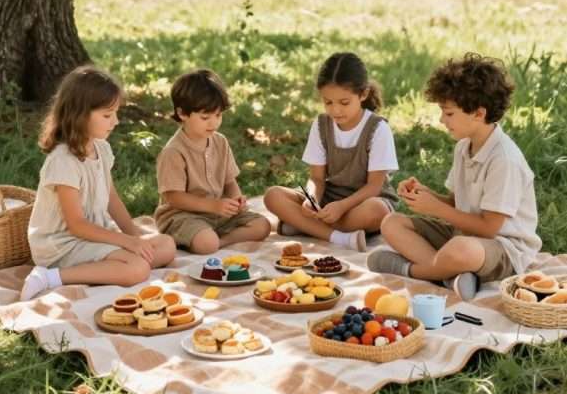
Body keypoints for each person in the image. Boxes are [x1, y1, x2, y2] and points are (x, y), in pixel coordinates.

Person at [367, 53, 541, 300]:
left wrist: (436, 209)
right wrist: (426, 195)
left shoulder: (504, 159)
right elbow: (456, 202)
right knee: (391, 223)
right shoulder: (464, 146)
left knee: (460, 250)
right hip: (464, 233)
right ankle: (451, 275)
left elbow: (489, 228)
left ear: (478, 114)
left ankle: (413, 270)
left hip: (502, 248)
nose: (441, 120)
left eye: (448, 113)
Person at [20, 66, 176, 301]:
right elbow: (77, 226)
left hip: (94, 234)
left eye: (115, 113)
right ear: (80, 114)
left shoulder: (101, 148)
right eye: (107, 115)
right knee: (138, 268)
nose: (115, 121)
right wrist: (127, 243)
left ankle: (109, 265)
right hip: (64, 244)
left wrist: (135, 237)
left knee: (166, 244)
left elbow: (111, 198)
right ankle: (49, 277)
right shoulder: (63, 161)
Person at [264, 52, 399, 252]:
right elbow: (317, 179)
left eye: (344, 103)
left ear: (363, 94)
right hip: (329, 200)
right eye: (328, 102)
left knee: (377, 211)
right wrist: (312, 198)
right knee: (272, 196)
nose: (335, 110)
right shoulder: (321, 125)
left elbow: (374, 186)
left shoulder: (378, 129)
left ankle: (304, 226)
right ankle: (339, 237)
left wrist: (342, 207)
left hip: (364, 201)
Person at [154, 68, 271, 252]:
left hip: (217, 214)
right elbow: (173, 198)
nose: (214, 123)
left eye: (218, 115)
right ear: (183, 113)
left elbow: (229, 181)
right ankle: (208, 240)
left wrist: (236, 200)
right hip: (183, 216)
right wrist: (213, 205)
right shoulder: (173, 152)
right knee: (207, 243)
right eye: (205, 117)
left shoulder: (220, 142)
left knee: (263, 225)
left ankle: (220, 242)